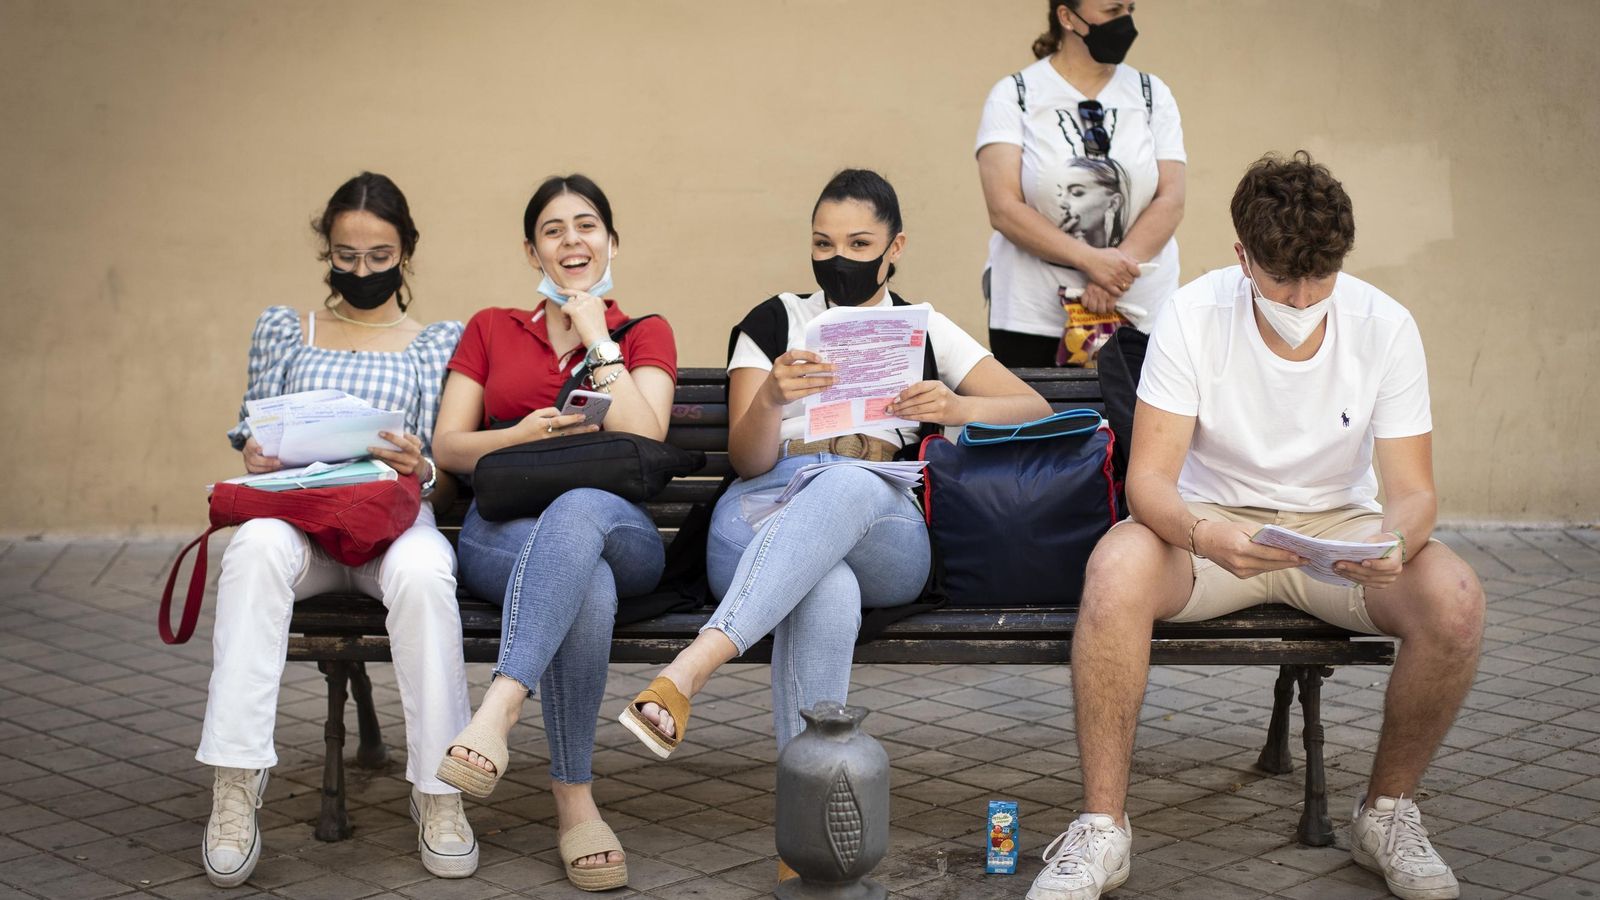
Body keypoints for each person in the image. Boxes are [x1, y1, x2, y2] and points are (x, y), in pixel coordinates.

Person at [1028, 152, 1483, 900]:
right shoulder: (1196, 313)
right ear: (1242, 256)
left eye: (1320, 277)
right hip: (1211, 534)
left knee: (1457, 595)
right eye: (1281, 279)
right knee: (1115, 567)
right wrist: (1204, 536)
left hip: (1339, 538)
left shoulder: (1385, 326)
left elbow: (1413, 491)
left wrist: (1394, 545)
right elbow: (1148, 481)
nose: (1302, 298)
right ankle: (1103, 829)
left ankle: (1388, 813)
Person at [618, 168, 1050, 785]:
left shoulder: (923, 325)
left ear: (894, 248)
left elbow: (1032, 408)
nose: (838, 259)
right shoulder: (774, 321)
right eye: (823, 244)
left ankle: (691, 666)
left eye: (857, 245)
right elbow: (747, 462)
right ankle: (810, 820)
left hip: (884, 520)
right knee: (827, 586)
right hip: (766, 500)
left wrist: (957, 408)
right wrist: (769, 400)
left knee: (848, 483)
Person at [198, 172, 475, 886]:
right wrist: (255, 452)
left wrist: (421, 467)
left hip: (391, 521)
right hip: (303, 524)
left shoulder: (435, 343)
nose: (361, 272)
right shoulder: (287, 330)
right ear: (327, 250)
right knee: (253, 549)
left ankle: (440, 794)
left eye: (379, 257)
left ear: (406, 252)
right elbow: (252, 435)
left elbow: (444, 476)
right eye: (346, 257)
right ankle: (235, 785)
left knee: (424, 573)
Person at [430, 174, 677, 893]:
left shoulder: (643, 331)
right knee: (585, 583)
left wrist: (599, 335)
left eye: (587, 225)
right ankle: (575, 803)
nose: (572, 240)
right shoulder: (490, 329)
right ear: (531, 248)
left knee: (578, 513)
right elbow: (448, 446)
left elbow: (647, 435)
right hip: (499, 531)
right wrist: (516, 436)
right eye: (554, 229)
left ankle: (500, 709)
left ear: (611, 240)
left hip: (620, 528)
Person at [977, 0, 1186, 475]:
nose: (1126, 22)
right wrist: (1090, 261)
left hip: (1139, 303)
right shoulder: (1016, 95)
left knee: (1141, 448)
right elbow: (1003, 206)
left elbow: (1171, 198)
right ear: (1068, 17)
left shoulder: (1152, 95)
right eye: (1112, 10)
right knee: (1034, 452)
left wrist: (1116, 268)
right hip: (1033, 310)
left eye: (1129, 8)